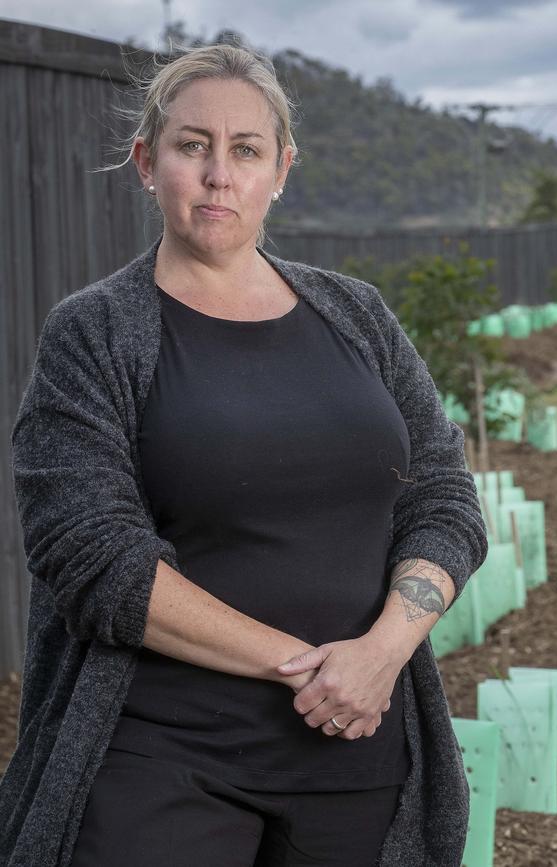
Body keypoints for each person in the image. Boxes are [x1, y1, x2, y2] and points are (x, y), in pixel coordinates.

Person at [0, 42, 488, 867]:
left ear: (282, 169)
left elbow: (442, 495)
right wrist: (308, 668)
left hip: (358, 747)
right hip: (163, 750)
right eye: (193, 146)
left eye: (246, 149)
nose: (219, 174)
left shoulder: (356, 315)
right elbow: (92, 556)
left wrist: (381, 654)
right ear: (147, 162)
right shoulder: (93, 333)